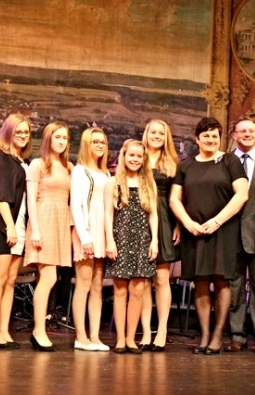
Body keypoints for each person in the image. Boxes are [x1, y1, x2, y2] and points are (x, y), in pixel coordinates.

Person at [170, 117, 248, 355]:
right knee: (200, 281)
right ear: (197, 139)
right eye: (206, 136)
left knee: (222, 281)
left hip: (223, 230)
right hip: (195, 231)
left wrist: (217, 221)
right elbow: (174, 199)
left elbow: (242, 195)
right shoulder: (186, 166)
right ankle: (204, 335)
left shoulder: (230, 161)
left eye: (215, 136)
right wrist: (188, 223)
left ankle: (217, 336)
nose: (211, 139)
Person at [226, 114, 255, 354]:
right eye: (242, 131)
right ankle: (237, 336)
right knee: (234, 288)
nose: (247, 134)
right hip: (230, 234)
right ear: (234, 135)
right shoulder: (224, 161)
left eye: (251, 131)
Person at [0, 114, 32, 350]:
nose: (22, 136)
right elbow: (0, 197)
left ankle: (3, 329)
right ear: (8, 133)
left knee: (11, 280)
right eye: (18, 131)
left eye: (26, 132)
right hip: (2, 225)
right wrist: (10, 226)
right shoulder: (0, 159)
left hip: (17, 224)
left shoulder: (21, 161)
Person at [106, 140, 158, 354]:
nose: (135, 159)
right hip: (121, 239)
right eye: (131, 155)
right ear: (124, 156)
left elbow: (153, 214)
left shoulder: (148, 182)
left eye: (139, 156)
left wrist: (154, 241)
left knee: (137, 290)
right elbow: (108, 214)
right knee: (120, 290)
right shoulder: (114, 182)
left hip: (142, 240)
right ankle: (120, 339)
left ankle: (130, 338)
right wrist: (110, 241)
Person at [25, 121, 73, 351]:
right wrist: (35, 229)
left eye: (65, 138)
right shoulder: (38, 164)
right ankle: (38, 330)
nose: (61, 141)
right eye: (57, 137)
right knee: (48, 278)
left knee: (50, 278)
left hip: (61, 221)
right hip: (44, 219)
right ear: (48, 139)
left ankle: (39, 329)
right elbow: (31, 199)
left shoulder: (69, 167)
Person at [138, 119, 180, 351]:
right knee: (144, 280)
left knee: (162, 279)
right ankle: (145, 331)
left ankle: (162, 330)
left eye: (161, 133)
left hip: (164, 218)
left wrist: (178, 225)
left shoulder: (172, 162)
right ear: (146, 134)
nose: (156, 136)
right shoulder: (138, 156)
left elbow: (178, 197)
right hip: (139, 217)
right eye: (153, 132)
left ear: (166, 137)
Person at [69, 127, 111, 351]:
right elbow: (76, 205)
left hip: (102, 230)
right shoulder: (80, 170)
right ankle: (81, 336)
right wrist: (85, 237)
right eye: (95, 142)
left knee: (97, 286)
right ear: (87, 144)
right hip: (86, 230)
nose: (100, 145)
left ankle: (95, 336)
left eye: (102, 142)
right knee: (83, 283)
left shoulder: (105, 173)